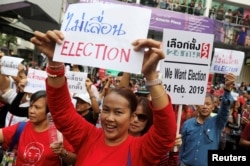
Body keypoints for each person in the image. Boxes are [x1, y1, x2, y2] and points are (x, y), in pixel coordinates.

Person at [31, 30, 177, 165]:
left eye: (118, 112)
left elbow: (165, 134)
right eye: (106, 110)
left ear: (132, 117)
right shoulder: (88, 137)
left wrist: (151, 76)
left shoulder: (140, 149)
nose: (109, 118)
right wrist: (55, 64)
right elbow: (62, 113)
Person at [0, 90, 76, 165]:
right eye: (31, 106)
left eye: (37, 107)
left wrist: (62, 152)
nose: (31, 111)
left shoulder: (59, 133)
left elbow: (74, 160)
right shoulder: (21, 127)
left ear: (49, 111)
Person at [179, 73, 236, 166]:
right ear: (197, 105)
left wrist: (227, 90)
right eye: (202, 103)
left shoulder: (217, 122)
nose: (205, 107)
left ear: (213, 106)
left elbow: (225, 109)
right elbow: (182, 147)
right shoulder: (187, 124)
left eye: (208, 104)